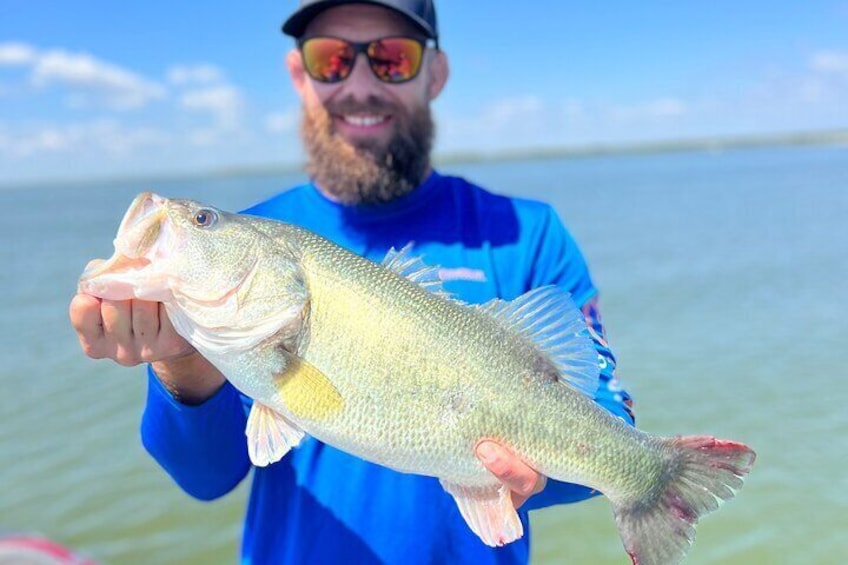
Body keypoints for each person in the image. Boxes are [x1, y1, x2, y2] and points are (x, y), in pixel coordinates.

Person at [69, 1, 635, 563]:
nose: (360, 84)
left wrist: (538, 479)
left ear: (434, 73)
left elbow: (611, 420)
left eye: (391, 58)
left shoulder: (530, 234)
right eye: (332, 59)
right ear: (299, 74)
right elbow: (205, 478)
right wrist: (180, 364)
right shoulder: (263, 236)